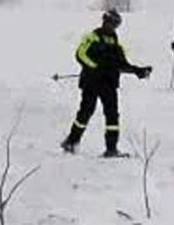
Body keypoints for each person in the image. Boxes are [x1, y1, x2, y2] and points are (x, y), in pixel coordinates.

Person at [61, 9, 152, 157]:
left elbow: (121, 64)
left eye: (116, 24)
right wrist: (94, 67)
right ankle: (71, 141)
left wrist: (138, 71)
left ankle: (111, 149)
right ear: (104, 21)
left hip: (109, 84)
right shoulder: (93, 37)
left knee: (112, 116)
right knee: (86, 112)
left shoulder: (115, 41)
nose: (112, 27)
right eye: (110, 23)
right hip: (91, 82)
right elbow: (80, 54)